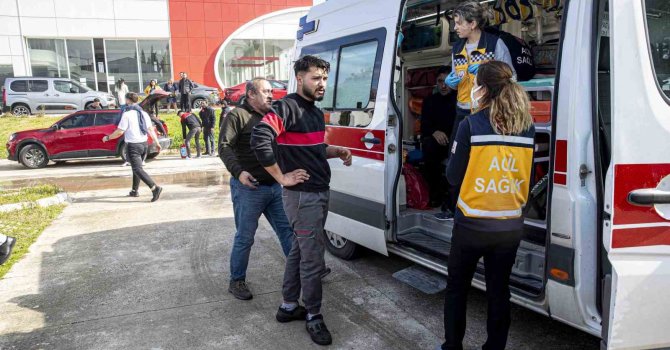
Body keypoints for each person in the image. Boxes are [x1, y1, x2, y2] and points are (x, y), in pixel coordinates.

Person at [251, 55, 352, 346]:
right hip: (303, 197)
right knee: (312, 257)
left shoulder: (314, 111)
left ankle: (287, 306)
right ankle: (314, 316)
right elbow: (261, 136)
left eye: (323, 78)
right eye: (315, 78)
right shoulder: (287, 107)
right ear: (299, 78)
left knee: (298, 249)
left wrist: (336, 151)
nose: (321, 84)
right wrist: (282, 177)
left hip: (318, 192)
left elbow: (313, 149)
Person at [440, 61, 535, 350]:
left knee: (457, 289)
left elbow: (452, 176)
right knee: (498, 291)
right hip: (509, 225)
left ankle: (452, 346)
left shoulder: (471, 124)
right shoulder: (527, 128)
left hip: (472, 224)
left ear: (482, 89)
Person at [219, 77, 294, 301]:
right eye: (265, 91)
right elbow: (224, 146)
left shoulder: (271, 118)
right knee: (245, 237)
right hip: (249, 189)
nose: (271, 95)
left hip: (274, 187)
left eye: (272, 91)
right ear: (251, 94)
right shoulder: (237, 115)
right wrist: (239, 172)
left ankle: (303, 270)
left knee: (287, 231)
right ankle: (237, 280)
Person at [441, 1, 516, 219]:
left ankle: (485, 208)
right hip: (463, 110)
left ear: (473, 23)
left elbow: (511, 77)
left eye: (458, 23)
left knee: (484, 160)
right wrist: (450, 82)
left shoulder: (494, 44)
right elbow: (456, 81)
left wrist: (487, 69)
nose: (455, 28)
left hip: (489, 111)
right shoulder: (457, 48)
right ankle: (454, 208)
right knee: (456, 159)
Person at [103, 92, 164, 202]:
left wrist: (107, 138)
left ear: (127, 100)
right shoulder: (144, 113)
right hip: (144, 145)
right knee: (135, 167)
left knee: (137, 169)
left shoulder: (127, 114)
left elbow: (119, 132)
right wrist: (156, 142)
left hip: (133, 146)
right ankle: (134, 191)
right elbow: (150, 129)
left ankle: (154, 188)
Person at [421, 66, 457, 209]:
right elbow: (424, 125)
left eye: (447, 81)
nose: (443, 85)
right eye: (440, 81)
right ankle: (435, 196)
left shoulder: (460, 100)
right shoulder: (430, 101)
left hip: (456, 141)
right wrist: (434, 132)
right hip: (437, 142)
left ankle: (453, 199)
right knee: (429, 147)